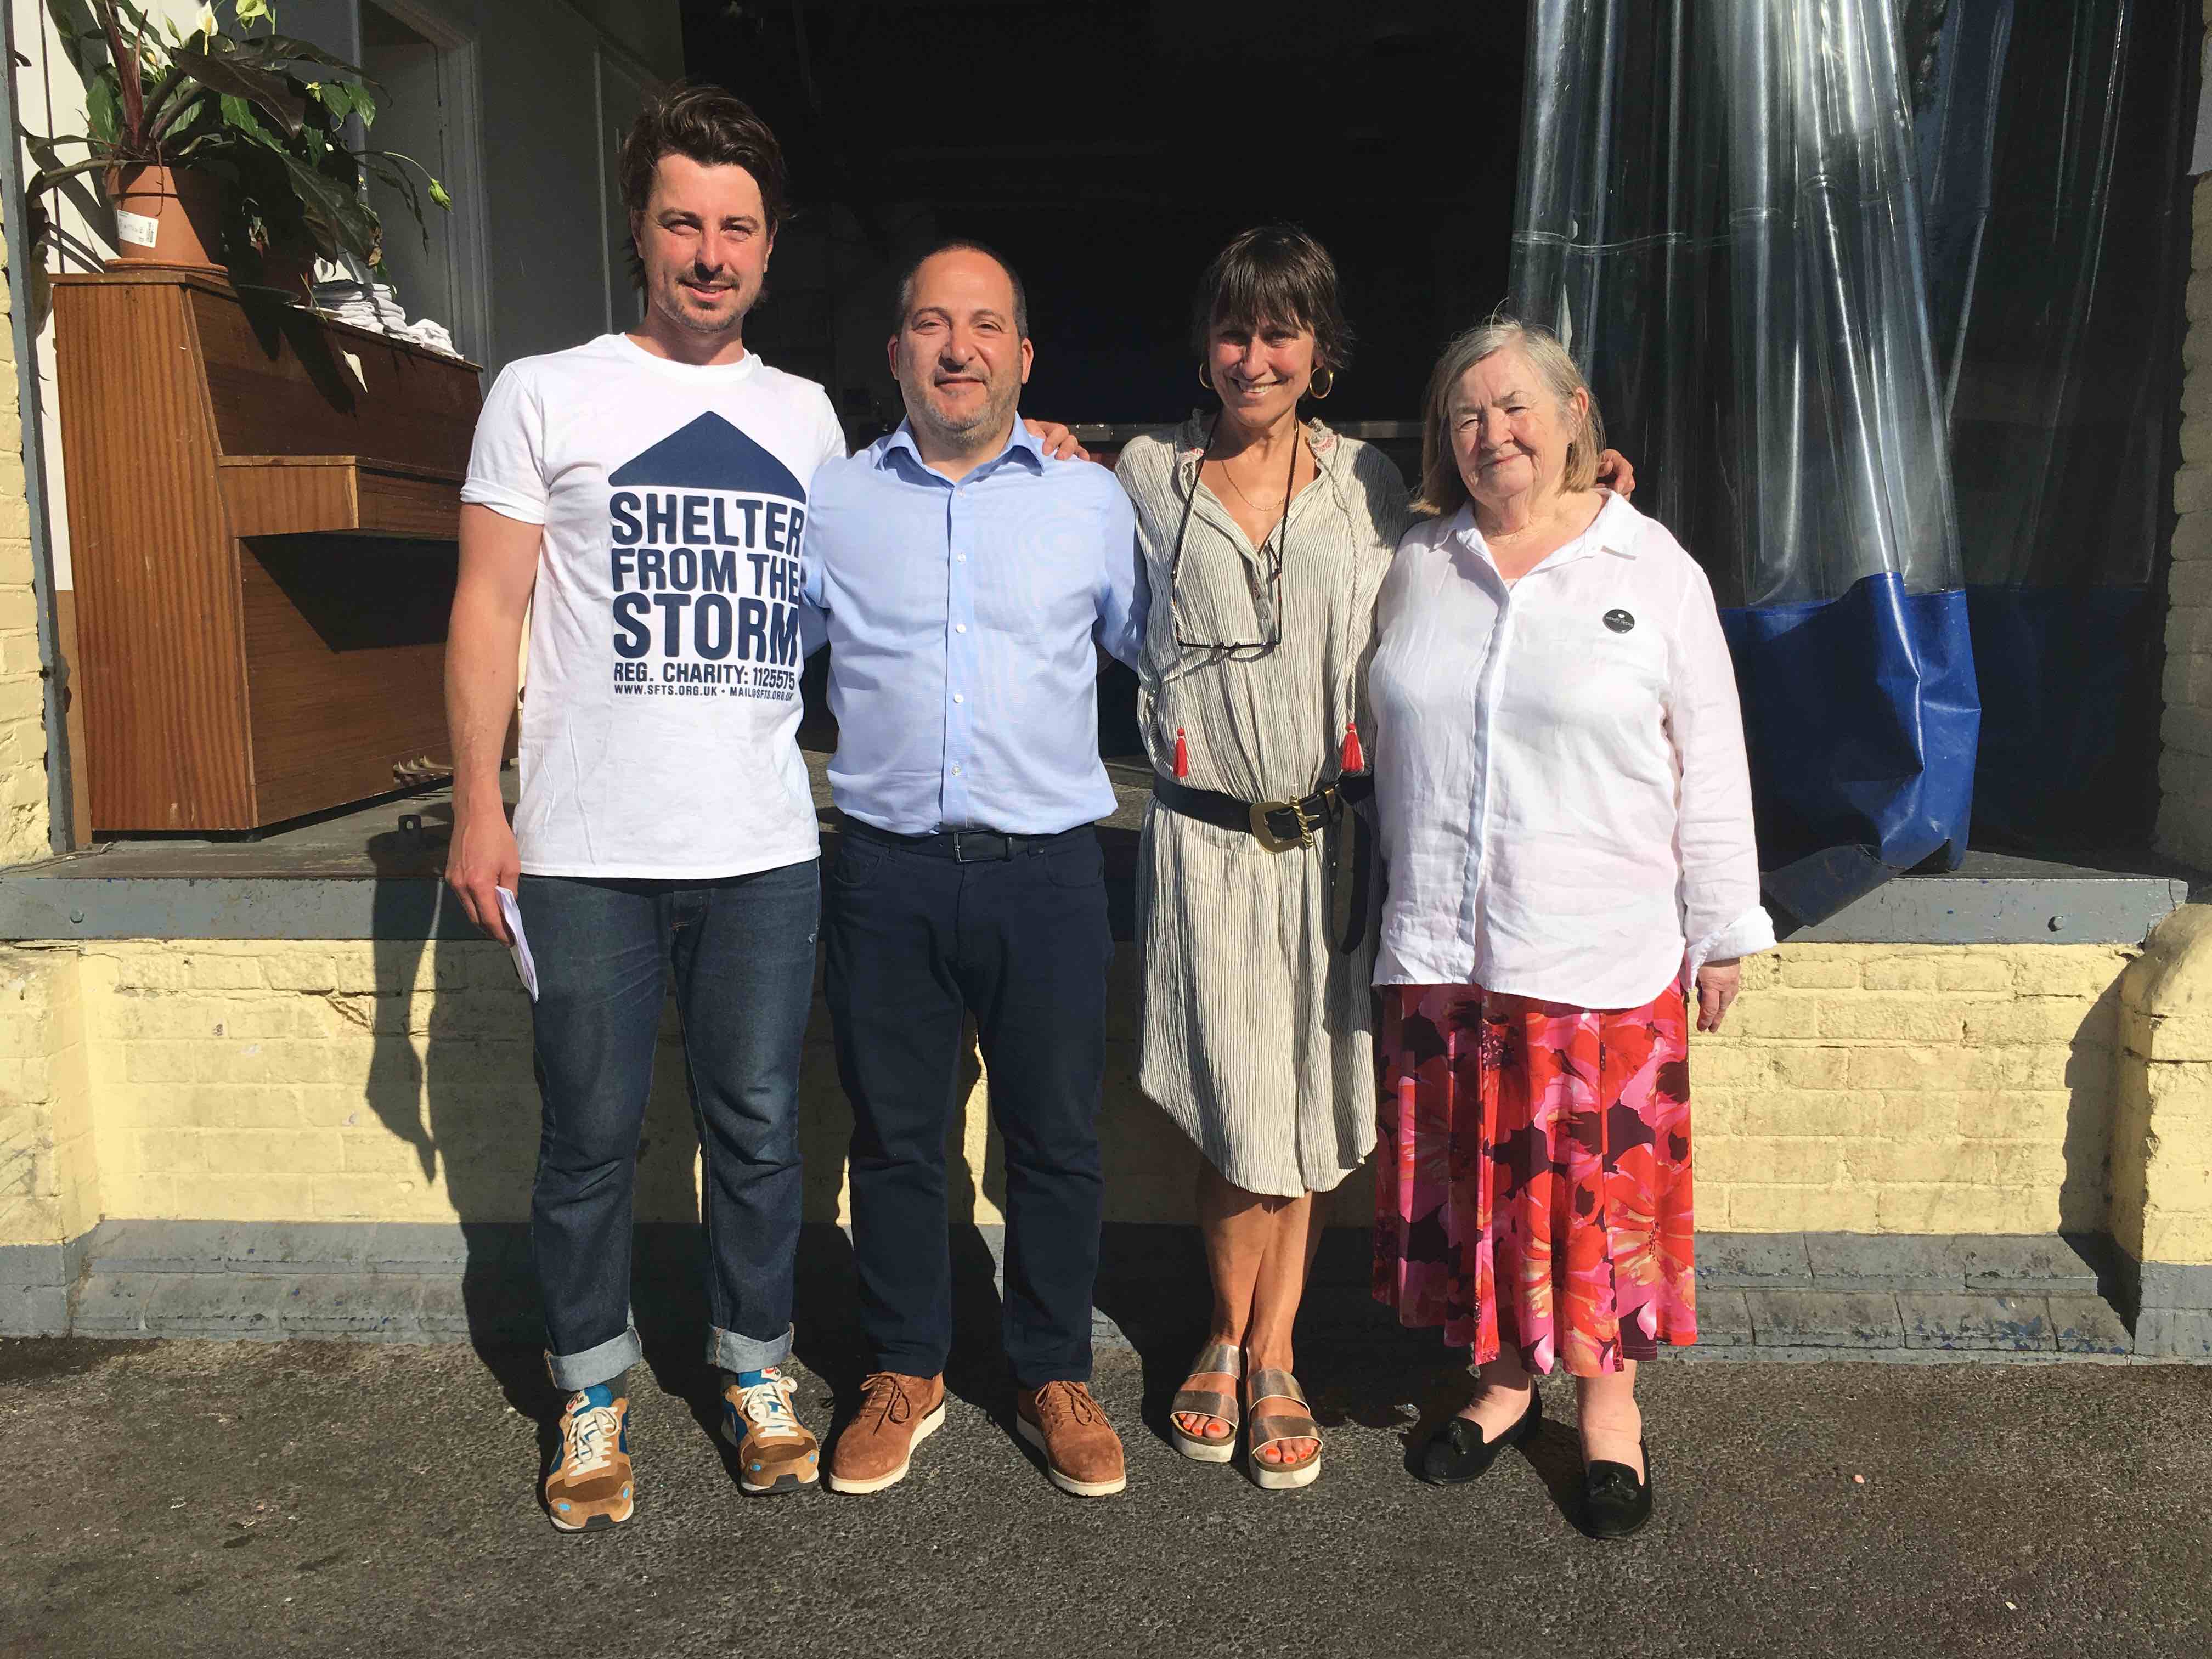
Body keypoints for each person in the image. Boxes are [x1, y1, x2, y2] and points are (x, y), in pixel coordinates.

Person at [1115, 230, 1633, 1489]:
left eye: (1280, 333)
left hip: (1327, 849)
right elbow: (1042, 526)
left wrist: (1585, 493)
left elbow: (1483, 554)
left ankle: (1271, 1350)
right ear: (1204, 345)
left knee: (1299, 1105)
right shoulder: (1142, 474)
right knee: (1233, 1111)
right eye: (1234, 331)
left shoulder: (1369, 484)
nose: (1254, 357)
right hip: (1199, 839)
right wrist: (1035, 446)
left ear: (1321, 352)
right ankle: (1227, 1332)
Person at [445, 85, 845, 1529]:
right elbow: (487, 608)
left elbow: (881, 572)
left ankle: (753, 1366)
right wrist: (479, 806)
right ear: (640, 228)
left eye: (737, 227)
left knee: (758, 1129)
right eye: (684, 222)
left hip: (762, 847)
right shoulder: (545, 392)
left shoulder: (807, 416)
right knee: (589, 1135)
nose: (709, 253)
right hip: (583, 848)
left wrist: (1029, 447)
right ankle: (590, 1386)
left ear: (770, 245)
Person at [1367, 317, 1774, 1537]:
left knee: (1595, 1200)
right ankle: (1501, 1384)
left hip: (1602, 952)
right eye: (1466, 414)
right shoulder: (1421, 562)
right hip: (1449, 946)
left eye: (1514, 407)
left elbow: (1712, 756)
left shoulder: (1651, 567)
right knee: (1485, 1184)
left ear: (1573, 413)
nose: (1491, 433)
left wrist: (1723, 925)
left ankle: (1609, 1411)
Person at [803, 242, 1148, 1499]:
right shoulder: (835, 500)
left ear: (1024, 357)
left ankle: (1053, 1370)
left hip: (1046, 874)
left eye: (987, 325)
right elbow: (759, 656)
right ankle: (907, 1368)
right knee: (896, 1140)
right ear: (897, 351)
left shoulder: (1089, 502)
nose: (960, 349)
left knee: (1055, 1138)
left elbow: (1171, 647)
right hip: (883, 873)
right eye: (935, 325)